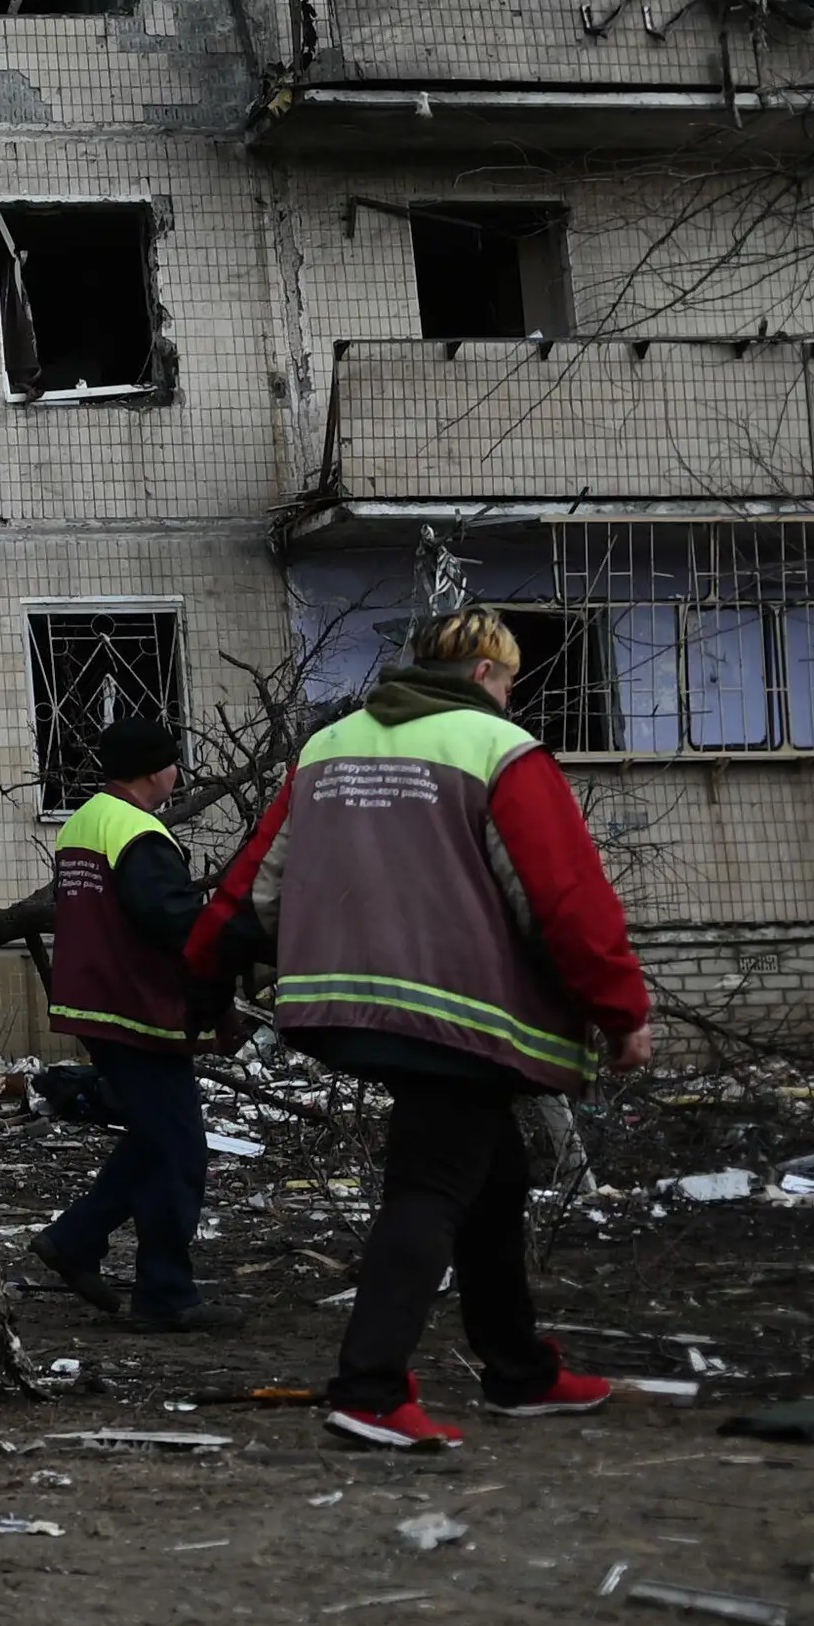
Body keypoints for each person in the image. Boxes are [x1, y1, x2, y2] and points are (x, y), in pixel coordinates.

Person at [189, 607, 652, 1450]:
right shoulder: (497, 750)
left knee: (494, 1178)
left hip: (350, 1001)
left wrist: (207, 986)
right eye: (510, 679)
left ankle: (519, 1369)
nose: (511, 696)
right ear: (484, 673)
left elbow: (254, 886)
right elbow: (563, 901)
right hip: (461, 1013)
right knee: (434, 1186)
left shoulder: (328, 749)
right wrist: (620, 1011)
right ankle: (368, 1388)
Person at [29, 714, 240, 1334]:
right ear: (158, 769)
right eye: (175, 761)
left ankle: (78, 1241)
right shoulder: (140, 834)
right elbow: (178, 928)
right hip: (139, 1008)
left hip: (96, 1003)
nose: (178, 771)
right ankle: (163, 1293)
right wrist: (221, 998)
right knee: (178, 1150)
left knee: (154, 1139)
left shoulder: (85, 822)